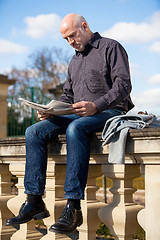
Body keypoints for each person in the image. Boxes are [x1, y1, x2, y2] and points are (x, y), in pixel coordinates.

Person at [5, 13, 134, 234]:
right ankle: (34, 200)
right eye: (65, 39)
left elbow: (123, 85)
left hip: (110, 111)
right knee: (33, 132)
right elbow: (68, 95)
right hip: (77, 113)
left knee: (75, 128)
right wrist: (51, 110)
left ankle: (73, 207)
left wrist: (97, 105)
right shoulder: (74, 60)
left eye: (72, 36)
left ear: (84, 26)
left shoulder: (111, 47)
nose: (70, 42)